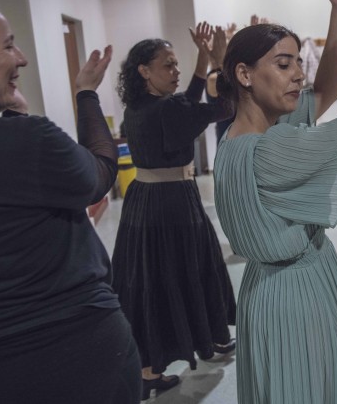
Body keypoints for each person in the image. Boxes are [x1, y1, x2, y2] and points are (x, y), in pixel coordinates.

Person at [0, 0, 140, 404]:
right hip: (74, 352)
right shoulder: (27, 141)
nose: (20, 58)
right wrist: (86, 95)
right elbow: (100, 172)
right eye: (8, 46)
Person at [212, 0, 337, 403]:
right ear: (244, 74)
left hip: (264, 291)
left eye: (296, 63)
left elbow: (326, 89)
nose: (298, 75)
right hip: (297, 293)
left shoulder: (238, 139)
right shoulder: (272, 150)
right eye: (284, 64)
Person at [111, 23, 236, 400]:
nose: (176, 71)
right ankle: (187, 347)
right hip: (172, 204)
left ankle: (156, 363)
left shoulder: (138, 106)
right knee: (185, 270)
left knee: (156, 277)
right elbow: (225, 106)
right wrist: (218, 62)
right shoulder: (168, 109)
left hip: (145, 199)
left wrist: (202, 59)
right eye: (168, 65)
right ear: (144, 72)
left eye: (177, 63)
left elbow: (186, 100)